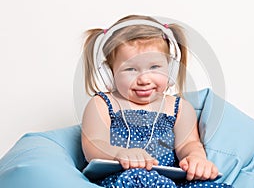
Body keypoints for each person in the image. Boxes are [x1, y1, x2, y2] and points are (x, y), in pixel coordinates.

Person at [81, 15, 232, 187]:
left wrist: (196, 159)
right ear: (109, 74)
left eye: (154, 67)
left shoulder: (179, 107)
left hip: (172, 181)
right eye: (130, 69)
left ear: (171, 69)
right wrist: (120, 153)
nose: (144, 79)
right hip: (125, 177)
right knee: (138, 179)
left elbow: (189, 144)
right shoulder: (103, 103)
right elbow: (93, 144)